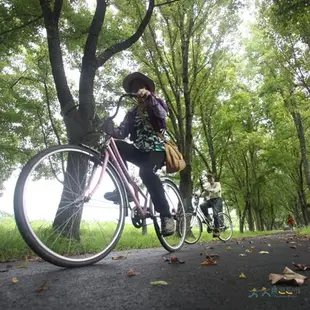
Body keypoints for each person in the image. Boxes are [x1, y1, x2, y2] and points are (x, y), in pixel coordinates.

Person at [103, 72, 175, 237]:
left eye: (140, 87)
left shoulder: (156, 103)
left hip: (157, 149)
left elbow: (162, 115)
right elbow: (121, 133)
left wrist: (150, 98)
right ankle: (125, 189)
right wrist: (109, 127)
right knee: (115, 146)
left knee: (146, 173)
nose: (137, 90)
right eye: (134, 88)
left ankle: (166, 216)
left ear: (147, 88)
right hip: (140, 150)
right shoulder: (132, 112)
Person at [199, 173, 223, 238]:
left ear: (213, 178)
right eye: (209, 179)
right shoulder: (208, 186)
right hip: (211, 200)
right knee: (202, 205)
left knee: (215, 214)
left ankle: (217, 230)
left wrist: (209, 190)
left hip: (217, 200)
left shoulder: (217, 184)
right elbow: (205, 193)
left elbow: (216, 190)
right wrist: (198, 195)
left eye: (211, 178)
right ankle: (208, 218)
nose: (210, 179)